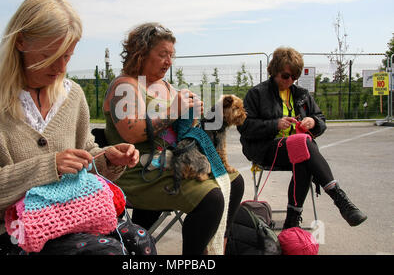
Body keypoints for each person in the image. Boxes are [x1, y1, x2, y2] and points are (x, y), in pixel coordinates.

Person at [0, 0, 143, 255]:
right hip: (9, 234)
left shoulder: (72, 95)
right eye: (50, 56)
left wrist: (107, 159)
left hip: (72, 217)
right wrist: (47, 166)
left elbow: (85, 156)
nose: (61, 68)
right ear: (20, 42)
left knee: (139, 242)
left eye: (68, 57)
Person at [103, 22, 245, 255]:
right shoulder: (125, 86)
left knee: (234, 181)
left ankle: (220, 244)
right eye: (162, 55)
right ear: (141, 54)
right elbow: (132, 132)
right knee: (211, 199)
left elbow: (179, 128)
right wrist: (173, 112)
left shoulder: (166, 86)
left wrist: (193, 114)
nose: (169, 61)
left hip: (168, 163)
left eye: (171, 55)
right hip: (135, 170)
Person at [237, 47, 367, 229]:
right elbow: (244, 126)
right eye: (285, 76)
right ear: (274, 71)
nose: (290, 81)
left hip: (297, 150)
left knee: (303, 156)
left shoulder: (301, 95)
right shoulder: (257, 93)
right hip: (265, 149)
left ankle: (292, 220)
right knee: (304, 144)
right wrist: (275, 124)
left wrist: (312, 122)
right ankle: (338, 197)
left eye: (294, 77)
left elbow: (321, 119)